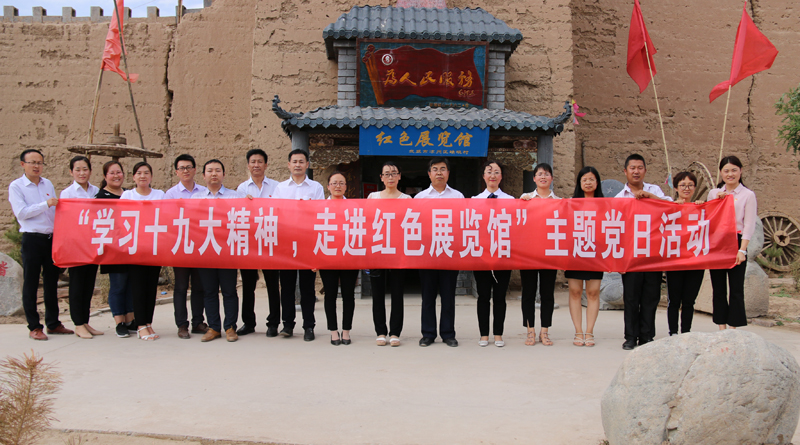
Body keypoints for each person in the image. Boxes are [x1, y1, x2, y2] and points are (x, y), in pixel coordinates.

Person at [9, 149, 74, 340]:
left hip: (50, 238)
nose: (36, 166)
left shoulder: (47, 184)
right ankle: (34, 326)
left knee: (51, 282)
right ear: (23, 164)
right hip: (32, 239)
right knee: (31, 283)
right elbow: (21, 213)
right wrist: (45, 204)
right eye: (32, 162)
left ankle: (53, 323)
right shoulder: (17, 186)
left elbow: (54, 212)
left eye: (39, 162)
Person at [615, 154, 672, 350]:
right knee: (631, 298)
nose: (636, 171)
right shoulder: (619, 197)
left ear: (645, 171)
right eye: (632, 168)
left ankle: (647, 336)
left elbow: (670, 207)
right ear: (625, 171)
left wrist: (650, 198)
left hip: (652, 255)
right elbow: (616, 229)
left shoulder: (654, 190)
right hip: (630, 256)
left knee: (650, 297)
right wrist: (619, 260)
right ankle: (630, 337)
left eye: (640, 168)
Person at [272, 149, 325, 341]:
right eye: (294, 161)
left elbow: (320, 213)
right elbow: (275, 213)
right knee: (286, 287)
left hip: (307, 243)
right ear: (289, 164)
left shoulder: (316, 187)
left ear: (307, 165)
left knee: (307, 288)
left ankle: (309, 326)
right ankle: (287, 324)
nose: (297, 165)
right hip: (286, 243)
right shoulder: (280, 188)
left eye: (301, 162)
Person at [192, 159, 244, 342]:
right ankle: (214, 327)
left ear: (223, 174)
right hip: (205, 250)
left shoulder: (234, 197)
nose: (214, 174)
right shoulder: (195, 198)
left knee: (229, 291)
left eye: (217, 170)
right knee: (209, 291)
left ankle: (230, 327)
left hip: (227, 251)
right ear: (203, 175)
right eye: (210, 171)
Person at [415, 157, 464, 347]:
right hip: (427, 254)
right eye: (435, 169)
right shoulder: (420, 198)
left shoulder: (458, 197)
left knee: (448, 296)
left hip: (449, 252)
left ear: (448, 173)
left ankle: (448, 333)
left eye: (443, 169)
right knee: (428, 297)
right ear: (429, 174)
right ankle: (428, 334)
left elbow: (462, 223)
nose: (439, 173)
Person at [707, 155, 757, 330]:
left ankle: (733, 328)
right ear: (721, 173)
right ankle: (721, 328)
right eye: (726, 171)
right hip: (718, 242)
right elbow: (708, 217)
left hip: (736, 241)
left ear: (740, 171)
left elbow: (749, 224)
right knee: (718, 288)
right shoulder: (714, 193)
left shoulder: (748, 195)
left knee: (736, 288)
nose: (730, 174)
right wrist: (716, 201)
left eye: (734, 170)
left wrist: (742, 250)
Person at [236, 148, 280, 337]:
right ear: (248, 165)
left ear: (266, 165)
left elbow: (281, 210)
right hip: (249, 242)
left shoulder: (276, 187)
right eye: (253, 162)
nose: (256, 165)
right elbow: (238, 214)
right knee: (248, 285)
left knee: (272, 284)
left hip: (270, 239)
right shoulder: (241, 189)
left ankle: (273, 323)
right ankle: (248, 322)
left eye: (260, 161)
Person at [164, 154, 209, 339]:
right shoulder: (170, 194)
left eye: (189, 167)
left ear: (195, 170)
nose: (185, 171)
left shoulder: (204, 192)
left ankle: (198, 321)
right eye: (182, 168)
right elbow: (167, 220)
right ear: (176, 172)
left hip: (200, 245)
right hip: (180, 246)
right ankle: (182, 324)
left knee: (199, 286)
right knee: (181, 287)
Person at [367, 161, 411, 347]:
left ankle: (395, 332)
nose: (390, 177)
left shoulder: (407, 199)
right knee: (377, 293)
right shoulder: (373, 197)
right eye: (387, 174)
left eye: (394, 173)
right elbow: (367, 223)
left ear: (399, 176)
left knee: (397, 293)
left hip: (398, 251)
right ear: (381, 178)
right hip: (377, 250)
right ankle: (380, 331)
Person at [121, 162, 166, 341]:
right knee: (138, 287)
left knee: (151, 288)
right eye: (139, 173)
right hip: (135, 249)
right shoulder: (127, 195)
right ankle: (140, 325)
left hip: (154, 248)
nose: (142, 176)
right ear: (133, 177)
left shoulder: (159, 195)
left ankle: (148, 322)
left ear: (151, 176)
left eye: (146, 173)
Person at [472, 160, 513, 347]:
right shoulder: (474, 201)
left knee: (500, 297)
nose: (493, 175)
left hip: (503, 255)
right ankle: (483, 334)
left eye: (496, 172)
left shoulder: (511, 201)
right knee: (483, 296)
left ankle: (498, 334)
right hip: (481, 255)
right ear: (484, 176)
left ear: (501, 177)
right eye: (489, 171)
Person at [60, 156, 101, 339]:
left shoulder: (95, 191)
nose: (82, 173)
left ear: (90, 171)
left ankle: (85, 321)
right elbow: (66, 220)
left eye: (85, 169)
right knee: (76, 284)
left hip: (92, 244)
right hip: (76, 245)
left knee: (88, 284)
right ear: (71, 172)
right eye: (77, 170)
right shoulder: (67, 194)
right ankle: (78, 324)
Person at [519, 162, 559, 346]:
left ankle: (544, 331)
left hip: (550, 254)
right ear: (534, 178)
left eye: (547, 174)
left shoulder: (559, 202)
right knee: (528, 293)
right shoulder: (525, 199)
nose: (543, 177)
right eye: (540, 174)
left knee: (547, 294)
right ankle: (530, 331)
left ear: (551, 178)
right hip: (528, 254)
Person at [565, 167, 605, 347]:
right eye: (584, 179)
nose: (588, 182)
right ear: (579, 183)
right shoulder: (571, 203)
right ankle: (578, 331)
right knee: (575, 291)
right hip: (575, 251)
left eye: (591, 179)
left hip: (596, 252)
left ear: (597, 182)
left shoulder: (605, 204)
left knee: (593, 292)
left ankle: (589, 332)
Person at [95, 161, 136, 338]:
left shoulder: (129, 194)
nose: (116, 176)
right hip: (112, 248)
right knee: (118, 285)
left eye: (119, 172)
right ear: (105, 176)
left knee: (130, 285)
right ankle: (119, 322)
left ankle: (130, 319)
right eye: (112, 173)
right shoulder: (100, 197)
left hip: (130, 245)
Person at [319, 172, 359, 346]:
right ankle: (333, 331)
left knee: (349, 295)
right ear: (328, 186)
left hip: (349, 256)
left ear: (346, 187)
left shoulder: (354, 207)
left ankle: (346, 330)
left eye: (341, 183)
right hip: (327, 257)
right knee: (330, 295)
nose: (338, 186)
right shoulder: (320, 207)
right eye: (334, 183)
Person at [666, 171, 705, 336]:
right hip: (675, 261)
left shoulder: (701, 208)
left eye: (690, 185)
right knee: (674, 300)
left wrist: (703, 207)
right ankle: (673, 333)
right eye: (682, 185)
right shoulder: (669, 208)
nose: (686, 188)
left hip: (695, 261)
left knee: (689, 301)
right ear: (676, 187)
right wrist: (673, 207)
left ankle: (686, 333)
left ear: (695, 188)